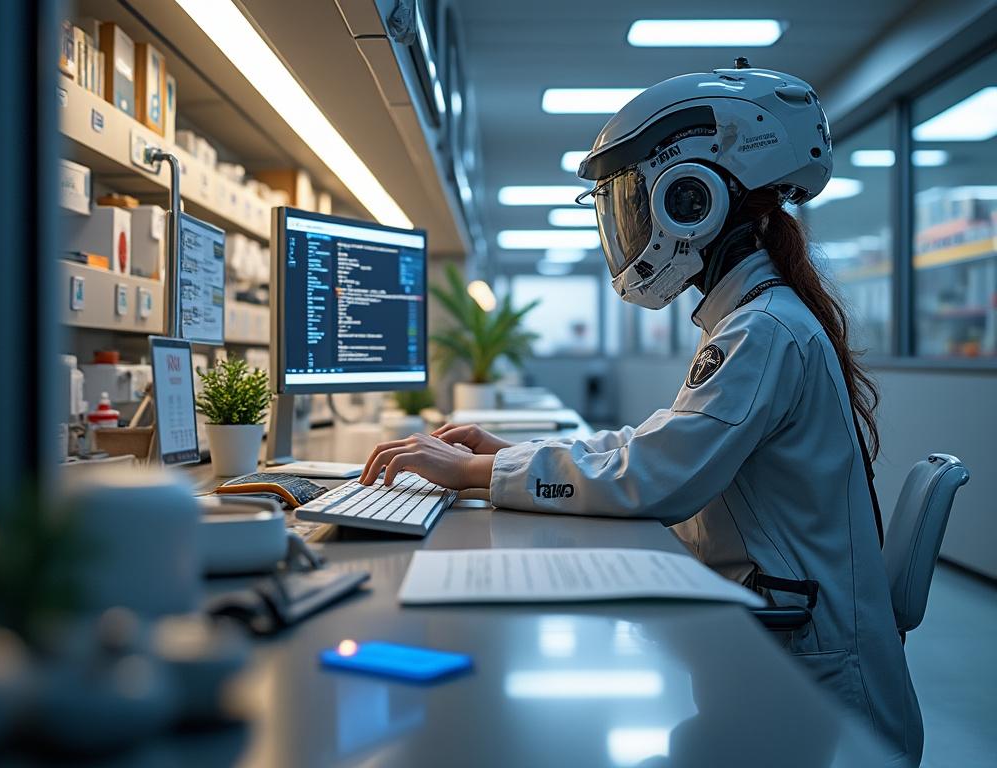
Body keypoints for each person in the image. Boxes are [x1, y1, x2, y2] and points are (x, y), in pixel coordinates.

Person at [360, 60, 922, 766]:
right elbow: (663, 444)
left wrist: (477, 470)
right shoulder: (755, 318)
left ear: (694, 200)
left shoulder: (762, 330)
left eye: (635, 200)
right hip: (790, 646)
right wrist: (501, 452)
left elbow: (661, 477)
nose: (626, 223)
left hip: (822, 691)